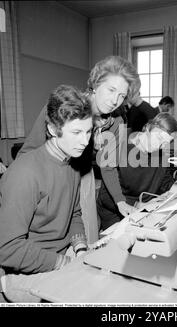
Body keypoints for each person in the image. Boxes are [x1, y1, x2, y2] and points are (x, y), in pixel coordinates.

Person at [17, 56, 141, 238]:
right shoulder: (65, 106)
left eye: (122, 95)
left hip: (82, 173)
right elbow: (29, 150)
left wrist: (120, 202)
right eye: (111, 89)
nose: (115, 100)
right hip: (46, 172)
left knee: (87, 234)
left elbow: (108, 165)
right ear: (96, 84)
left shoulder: (117, 121)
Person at [0, 85, 93, 302]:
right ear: (52, 129)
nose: (85, 141)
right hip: (29, 268)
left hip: (61, 257)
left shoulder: (71, 161)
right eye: (77, 132)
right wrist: (63, 264)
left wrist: (80, 249)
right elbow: (7, 248)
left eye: (89, 131)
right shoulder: (25, 173)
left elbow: (74, 213)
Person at [97, 112, 177, 230]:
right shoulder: (122, 148)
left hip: (143, 208)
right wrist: (136, 205)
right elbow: (104, 195)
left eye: (165, 143)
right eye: (159, 137)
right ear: (149, 127)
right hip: (115, 209)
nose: (159, 146)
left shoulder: (161, 155)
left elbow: (163, 182)